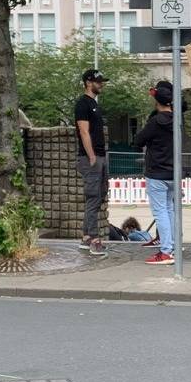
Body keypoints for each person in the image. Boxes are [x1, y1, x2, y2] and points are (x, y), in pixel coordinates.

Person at [133, 80, 178, 266]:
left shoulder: (155, 122)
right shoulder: (177, 120)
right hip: (174, 172)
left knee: (161, 212)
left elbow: (138, 140)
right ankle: (173, 245)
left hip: (157, 172)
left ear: (156, 101)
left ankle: (166, 250)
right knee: (170, 210)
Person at [74, 69, 110, 257]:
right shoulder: (82, 104)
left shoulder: (94, 104)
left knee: (100, 195)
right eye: (98, 81)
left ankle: (86, 236)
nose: (101, 84)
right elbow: (84, 131)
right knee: (93, 196)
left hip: (100, 156)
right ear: (88, 82)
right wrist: (92, 156)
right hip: (91, 158)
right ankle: (94, 240)